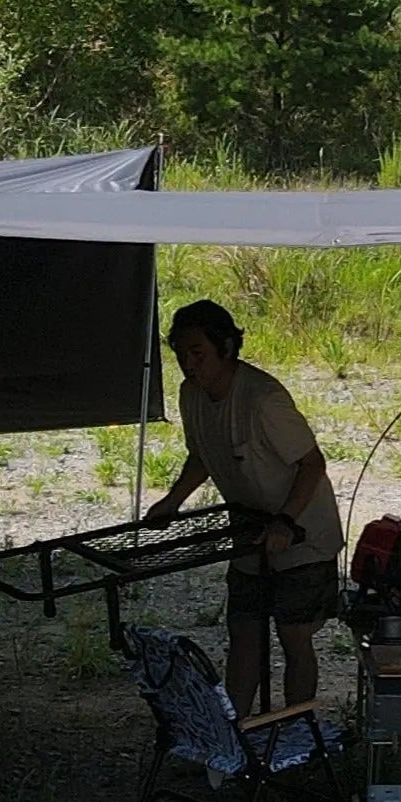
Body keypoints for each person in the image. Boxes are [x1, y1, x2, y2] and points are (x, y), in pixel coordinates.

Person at [140, 299, 344, 717]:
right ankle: (236, 736)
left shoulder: (263, 399)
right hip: (249, 531)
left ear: (227, 348)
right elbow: (202, 453)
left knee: (294, 638)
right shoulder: (190, 395)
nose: (187, 363)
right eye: (180, 353)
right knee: (244, 635)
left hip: (303, 532)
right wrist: (172, 501)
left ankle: (297, 728)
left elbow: (313, 464)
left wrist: (286, 521)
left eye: (197, 352)